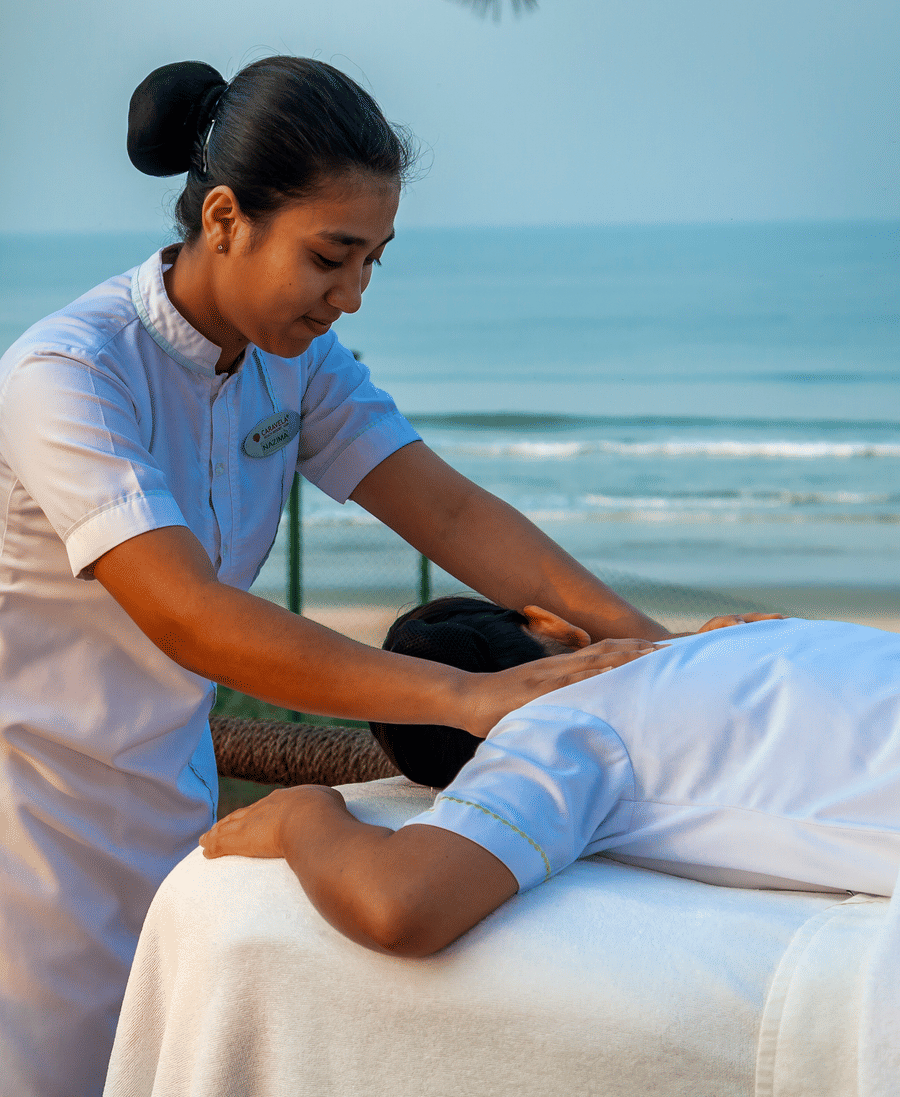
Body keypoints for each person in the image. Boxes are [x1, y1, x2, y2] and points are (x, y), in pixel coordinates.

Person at [0, 55, 676, 1096]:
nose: (352, 295)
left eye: (373, 261)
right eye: (332, 255)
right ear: (224, 218)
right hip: (32, 842)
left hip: (179, 823)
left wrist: (651, 654)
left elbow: (447, 509)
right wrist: (467, 694)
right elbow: (190, 616)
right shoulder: (70, 373)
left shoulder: (292, 362)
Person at [200, 598, 900, 958]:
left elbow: (399, 905)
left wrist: (302, 817)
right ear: (551, 625)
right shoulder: (744, 636)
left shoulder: (563, 725)